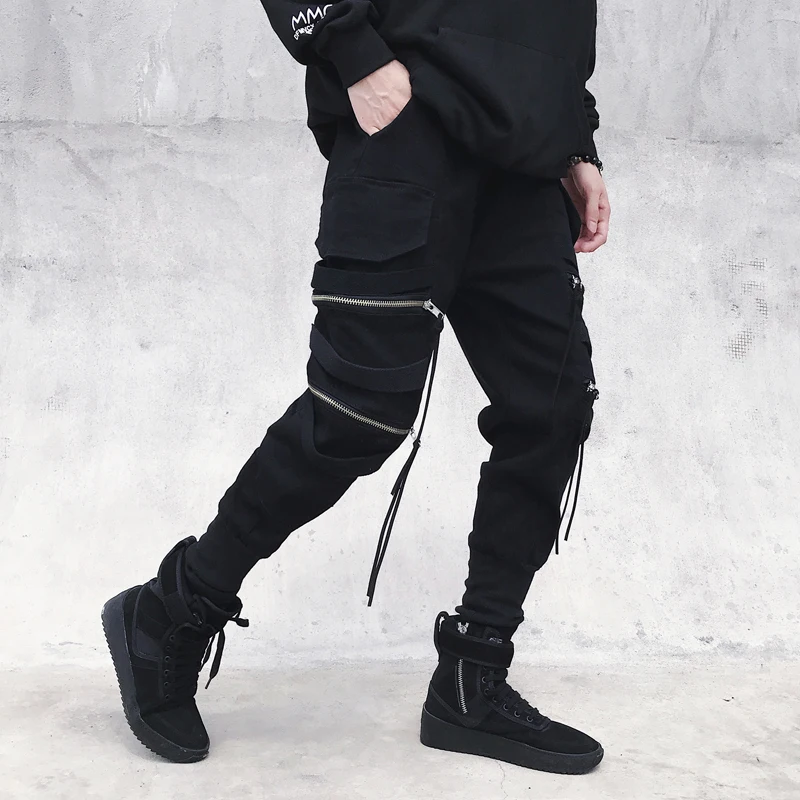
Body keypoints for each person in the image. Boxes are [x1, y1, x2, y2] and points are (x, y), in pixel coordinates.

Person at [101, 0, 611, 775]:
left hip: (526, 155)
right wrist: (354, 52)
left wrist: (576, 138)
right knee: (358, 412)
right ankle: (172, 609)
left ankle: (472, 679)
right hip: (412, 127)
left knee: (553, 405)